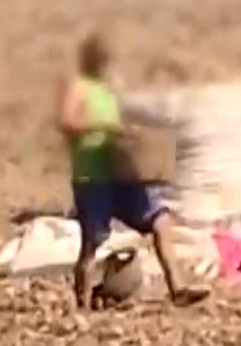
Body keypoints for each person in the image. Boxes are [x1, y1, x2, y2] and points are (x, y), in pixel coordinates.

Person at [57, 30, 210, 309]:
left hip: (121, 173)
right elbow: (67, 124)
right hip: (92, 176)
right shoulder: (78, 87)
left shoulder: (107, 91)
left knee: (161, 221)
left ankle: (178, 288)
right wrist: (100, 127)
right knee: (92, 242)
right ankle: (82, 305)